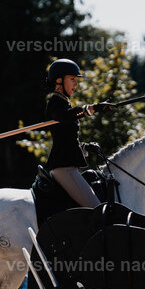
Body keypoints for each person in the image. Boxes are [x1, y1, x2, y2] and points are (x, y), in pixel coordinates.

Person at [43, 58, 114, 208]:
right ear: (59, 80)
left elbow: (66, 140)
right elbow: (64, 116)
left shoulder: (64, 102)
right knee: (97, 209)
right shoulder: (55, 102)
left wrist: (84, 147)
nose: (76, 84)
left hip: (66, 165)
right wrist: (91, 108)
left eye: (76, 80)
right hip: (64, 168)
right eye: (72, 79)